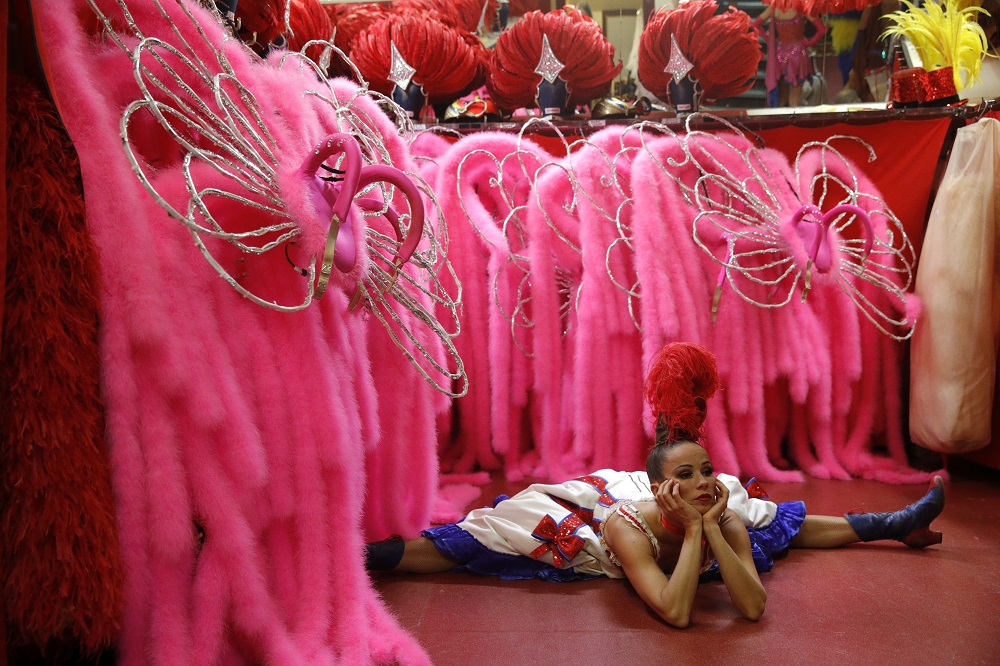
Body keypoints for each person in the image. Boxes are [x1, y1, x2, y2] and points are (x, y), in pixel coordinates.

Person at [367, 342, 945, 628]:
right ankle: (362, 558)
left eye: (704, 472)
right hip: (596, 532)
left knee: (775, 523)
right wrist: (696, 530)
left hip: (687, 530)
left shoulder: (720, 507)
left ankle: (893, 524)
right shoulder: (627, 524)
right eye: (686, 477)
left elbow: (752, 608)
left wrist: (714, 523)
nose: (701, 484)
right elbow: (676, 613)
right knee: (480, 539)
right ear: (658, 483)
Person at [753, 7, 829, 107]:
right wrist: (809, 42)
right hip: (797, 54)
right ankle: (792, 121)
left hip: (780, 54)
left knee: (781, 98)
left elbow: (755, 24)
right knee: (795, 99)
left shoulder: (774, 8)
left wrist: (770, 40)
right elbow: (822, 29)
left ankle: (779, 121)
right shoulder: (801, 8)